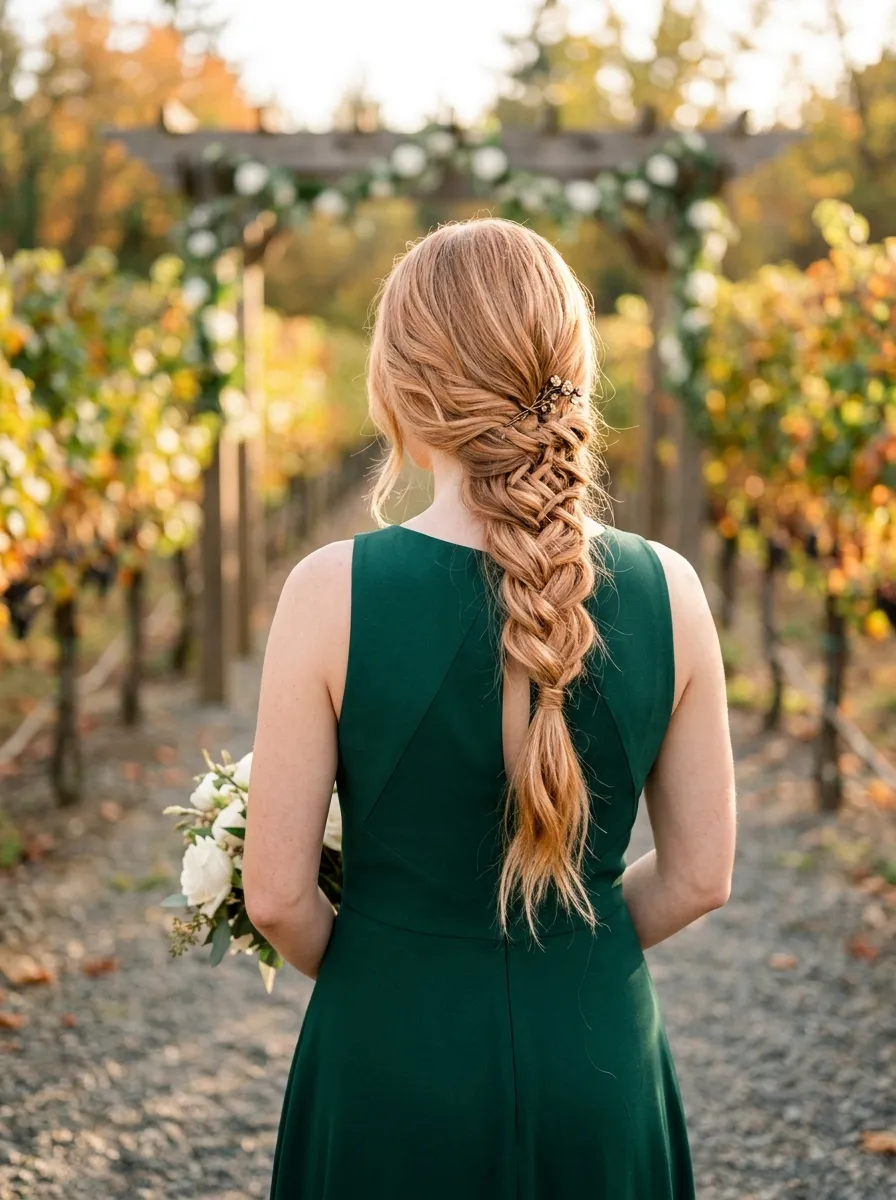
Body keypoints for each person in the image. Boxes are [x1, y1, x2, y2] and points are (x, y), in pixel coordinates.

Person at [243, 217, 736, 1199]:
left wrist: (396, 959)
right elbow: (698, 878)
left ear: (398, 389)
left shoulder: (328, 591)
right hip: (595, 1052)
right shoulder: (670, 589)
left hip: (384, 1055)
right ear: (570, 376)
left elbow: (276, 898)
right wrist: (573, 942)